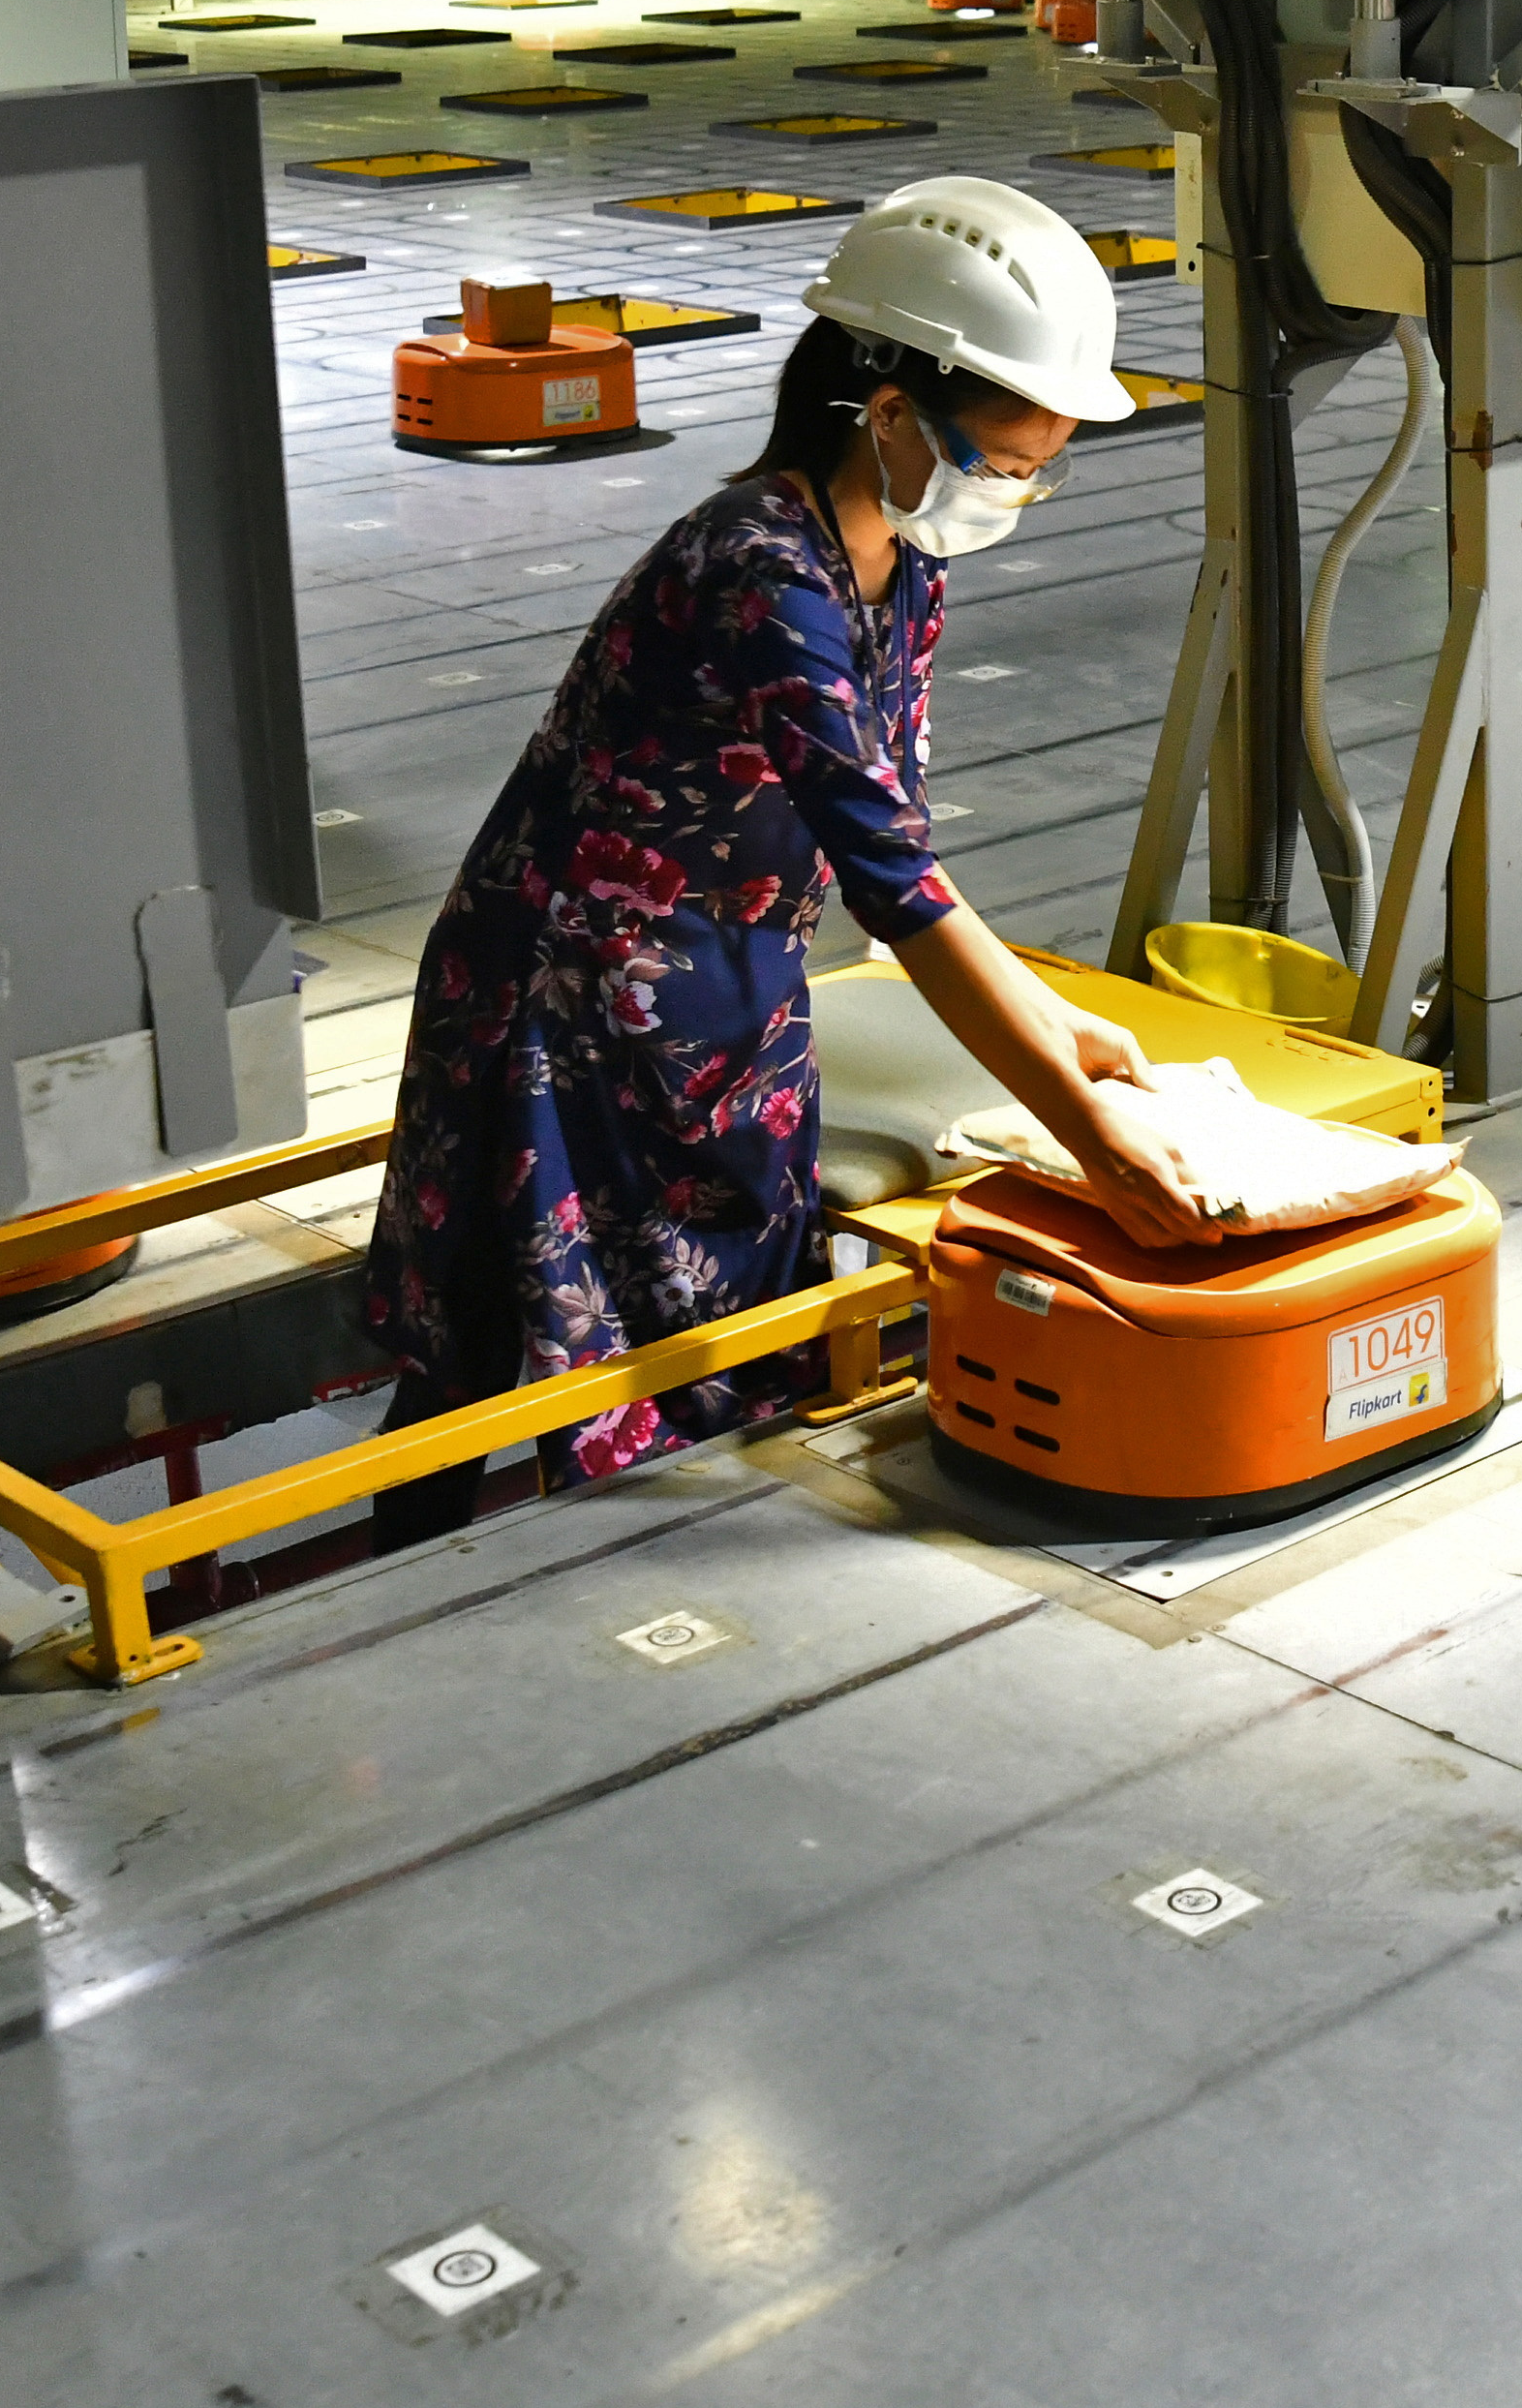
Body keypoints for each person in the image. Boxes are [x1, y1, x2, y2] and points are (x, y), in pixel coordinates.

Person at [359, 179, 1216, 1523]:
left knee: (715, 1361)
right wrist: (1081, 1126)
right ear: (886, 412)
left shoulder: (902, 564)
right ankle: (417, 1587)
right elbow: (890, 879)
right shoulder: (762, 569)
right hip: (567, 1013)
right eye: (1000, 458)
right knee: (491, 1358)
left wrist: (1060, 1030)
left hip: (731, 1004)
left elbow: (896, 838)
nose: (1014, 489)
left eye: (1037, 466)